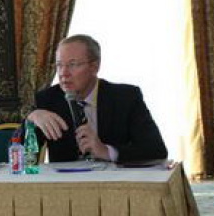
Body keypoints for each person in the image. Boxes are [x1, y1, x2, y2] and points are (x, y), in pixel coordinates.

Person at [27, 34, 167, 163]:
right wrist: (31, 121)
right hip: (66, 181)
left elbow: (156, 150)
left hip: (115, 180)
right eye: (59, 65)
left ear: (95, 66)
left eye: (72, 64)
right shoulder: (48, 100)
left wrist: (106, 151)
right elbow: (20, 155)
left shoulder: (125, 98)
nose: (63, 73)